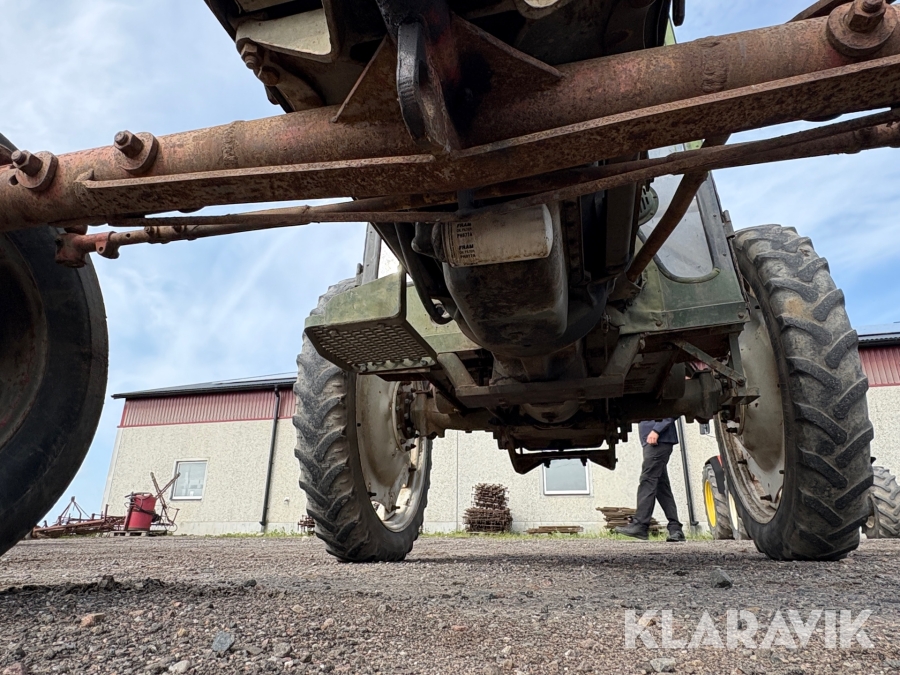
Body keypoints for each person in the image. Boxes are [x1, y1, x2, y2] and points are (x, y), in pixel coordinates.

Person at [614, 418, 685, 542]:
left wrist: (656, 430)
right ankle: (675, 529)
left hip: (658, 440)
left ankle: (640, 525)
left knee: (647, 480)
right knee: (661, 487)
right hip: (654, 441)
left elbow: (670, 412)